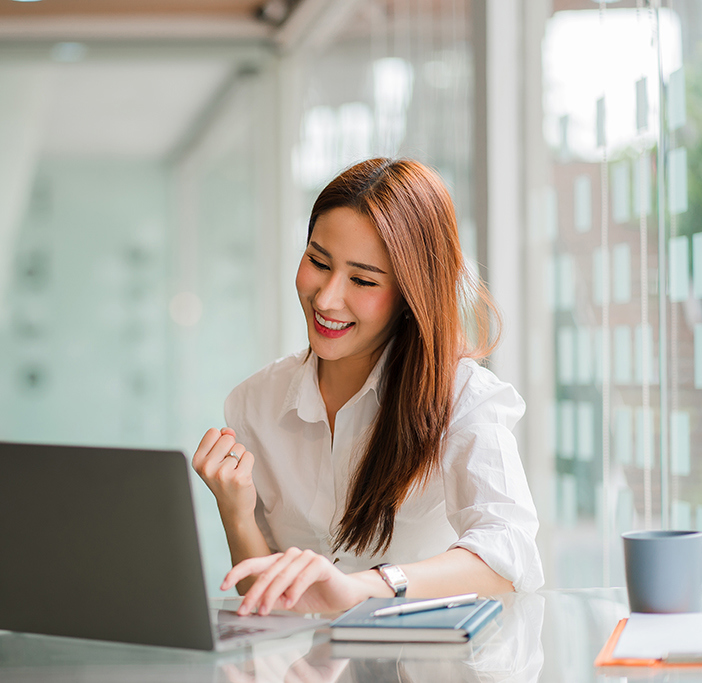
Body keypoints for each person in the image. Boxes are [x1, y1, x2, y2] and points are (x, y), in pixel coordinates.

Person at [192, 158, 543, 617]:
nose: (326, 298)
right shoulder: (254, 404)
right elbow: (268, 597)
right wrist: (236, 513)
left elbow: (511, 551)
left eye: (362, 280)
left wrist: (363, 587)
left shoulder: (463, 399)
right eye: (318, 262)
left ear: (411, 294)